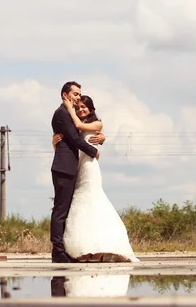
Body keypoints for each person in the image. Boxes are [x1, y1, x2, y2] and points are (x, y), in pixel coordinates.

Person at [53, 94, 139, 263]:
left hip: (90, 167)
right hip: (77, 168)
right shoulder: (74, 127)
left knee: (93, 199)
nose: (80, 109)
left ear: (91, 109)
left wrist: (69, 106)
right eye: (78, 107)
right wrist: (54, 143)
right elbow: (70, 137)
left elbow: (79, 126)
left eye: (83, 107)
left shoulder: (96, 124)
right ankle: (84, 248)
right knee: (79, 204)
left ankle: (100, 247)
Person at [50, 81, 105, 263]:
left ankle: (64, 250)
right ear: (65, 95)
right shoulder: (62, 113)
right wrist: (93, 151)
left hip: (73, 167)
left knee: (66, 210)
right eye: (75, 94)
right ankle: (57, 251)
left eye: (80, 95)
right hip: (64, 167)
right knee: (60, 210)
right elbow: (74, 138)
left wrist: (102, 138)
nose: (78, 97)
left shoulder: (71, 114)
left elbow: (87, 130)